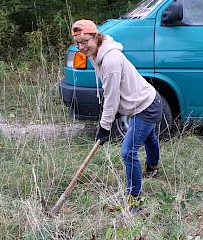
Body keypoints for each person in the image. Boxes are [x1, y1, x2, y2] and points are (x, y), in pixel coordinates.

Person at [71, 19, 166, 211]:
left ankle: (135, 202)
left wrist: (105, 126)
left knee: (128, 152)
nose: (81, 47)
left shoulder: (111, 60)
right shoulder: (96, 52)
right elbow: (113, 92)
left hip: (146, 106)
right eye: (77, 43)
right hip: (144, 100)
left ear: (96, 37)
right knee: (148, 137)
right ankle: (153, 167)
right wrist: (113, 114)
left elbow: (111, 97)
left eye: (85, 41)